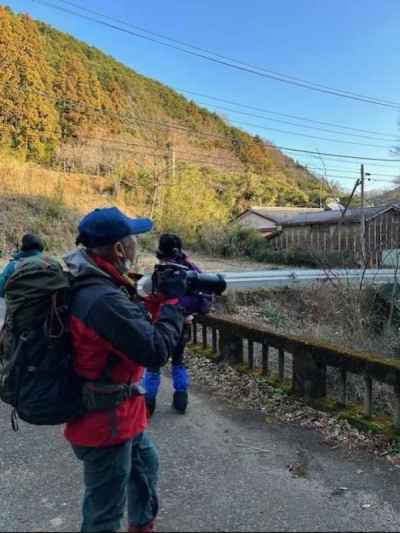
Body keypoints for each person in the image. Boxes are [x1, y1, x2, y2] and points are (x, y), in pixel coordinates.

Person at [63, 208, 185, 533]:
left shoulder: (97, 282)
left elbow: (132, 329)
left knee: (146, 468)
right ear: (119, 248)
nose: (136, 247)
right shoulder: (101, 298)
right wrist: (174, 307)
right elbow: (155, 351)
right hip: (107, 425)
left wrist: (156, 302)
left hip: (123, 416)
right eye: (132, 240)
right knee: (104, 514)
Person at [143, 233, 212, 416]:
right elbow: (205, 298)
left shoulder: (161, 270)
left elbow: (151, 297)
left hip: (159, 323)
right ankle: (181, 400)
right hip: (183, 325)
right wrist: (187, 312)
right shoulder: (190, 269)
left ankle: (148, 404)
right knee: (178, 361)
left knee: (153, 363)